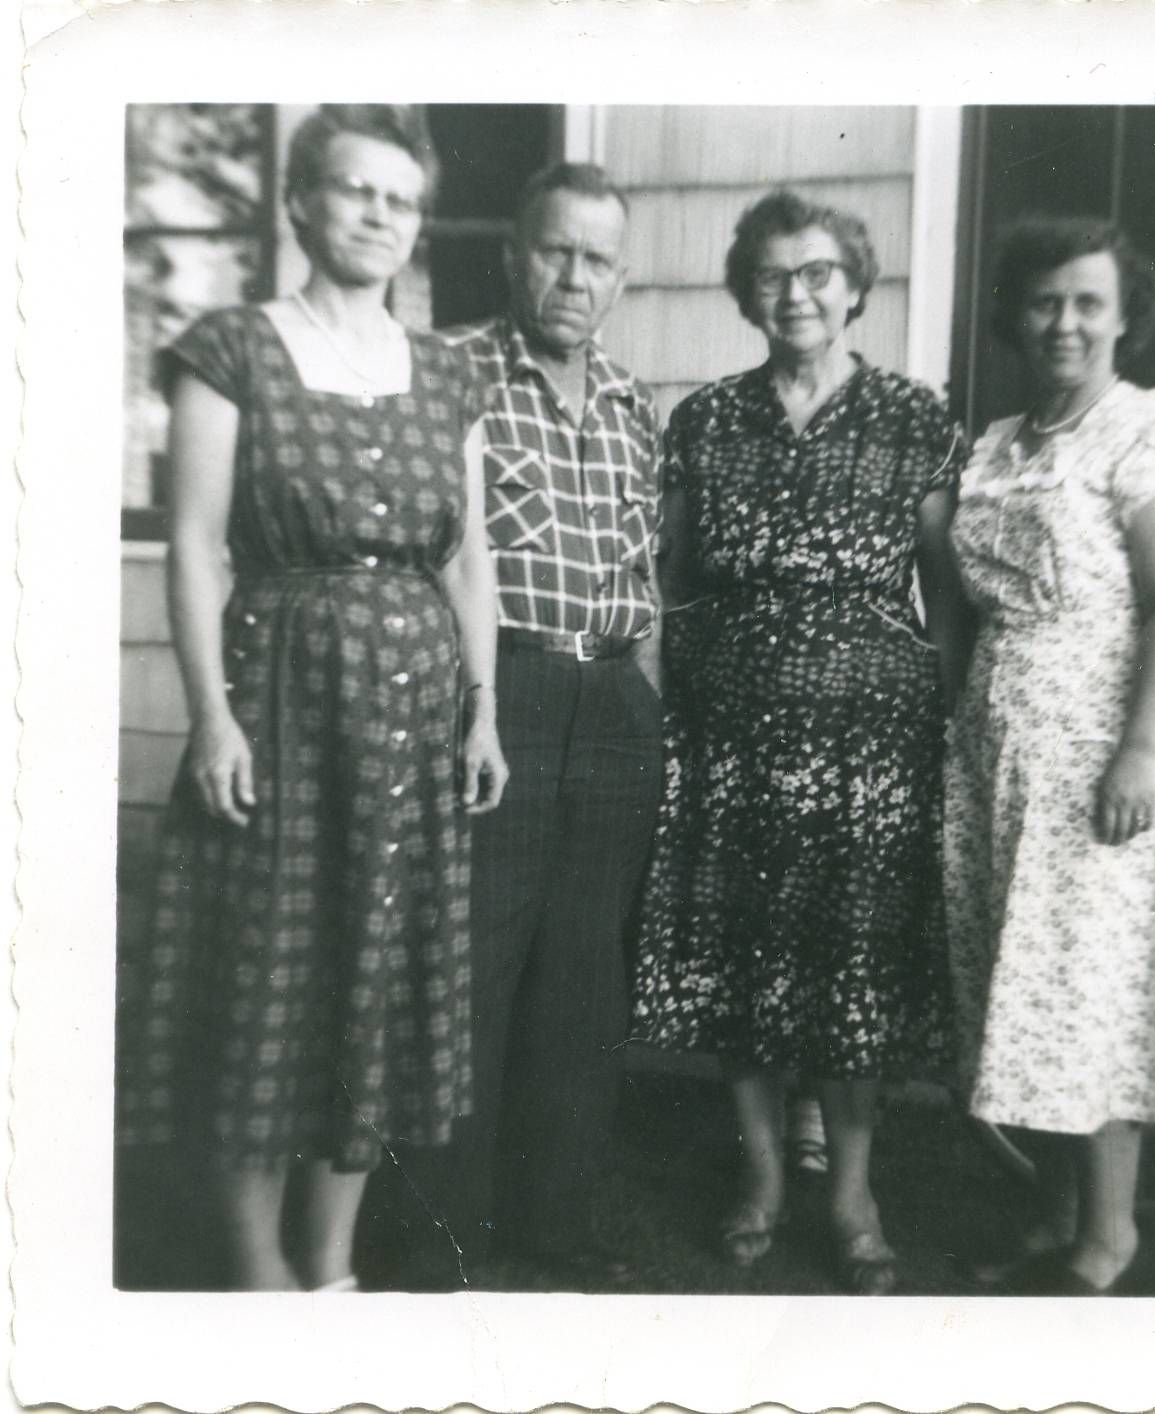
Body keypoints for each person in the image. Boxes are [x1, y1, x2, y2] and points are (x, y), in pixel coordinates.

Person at [115, 105, 507, 1292]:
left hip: (412, 719)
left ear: (418, 223)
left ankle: (328, 1264)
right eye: (354, 190)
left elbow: (468, 558)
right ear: (301, 201)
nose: (377, 215)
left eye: (399, 199)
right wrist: (214, 718)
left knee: (372, 978)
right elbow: (193, 546)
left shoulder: (449, 372)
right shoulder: (233, 347)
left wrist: (481, 709)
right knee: (262, 975)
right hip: (280, 698)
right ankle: (253, 1268)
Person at [630, 190, 963, 1296]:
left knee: (850, 972)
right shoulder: (708, 420)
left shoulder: (914, 417)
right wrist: (683, 717)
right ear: (746, 293)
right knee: (746, 966)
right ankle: (765, 1180)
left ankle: (853, 1197)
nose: (797, 292)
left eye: (818, 271)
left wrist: (938, 709)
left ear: (855, 286)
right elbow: (675, 588)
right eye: (774, 275)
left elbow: (945, 596)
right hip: (734, 744)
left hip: (872, 746)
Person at [940, 216, 1155, 1295]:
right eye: (1045, 301)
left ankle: (1107, 1240)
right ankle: (1054, 1215)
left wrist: (1138, 751)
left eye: (1087, 302)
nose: (1064, 321)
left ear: (1121, 316)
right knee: (1034, 998)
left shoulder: (1152, 438)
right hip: (1008, 752)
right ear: (1018, 312)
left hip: (1111, 750)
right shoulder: (1000, 442)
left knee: (1094, 995)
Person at [441, 163, 662, 1291]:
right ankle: (446, 1233)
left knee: (585, 973)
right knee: (477, 960)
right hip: (506, 690)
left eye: (597, 259)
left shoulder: (633, 402)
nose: (574, 277)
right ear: (513, 255)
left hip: (615, 697)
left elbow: (645, 568)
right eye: (554, 251)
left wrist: (644, 698)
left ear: (621, 278)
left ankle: (555, 1222)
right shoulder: (450, 375)